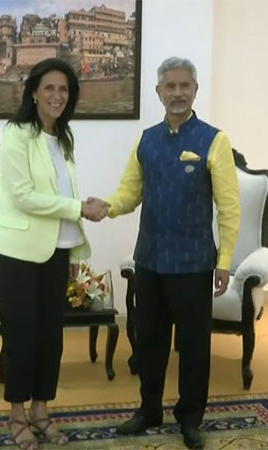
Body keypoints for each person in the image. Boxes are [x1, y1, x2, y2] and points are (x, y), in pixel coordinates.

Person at [95, 57, 241, 449]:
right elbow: (130, 193)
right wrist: (107, 206)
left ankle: (190, 417)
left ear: (195, 90)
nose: (177, 93)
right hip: (150, 260)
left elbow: (229, 208)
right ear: (158, 92)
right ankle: (149, 409)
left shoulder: (215, 140)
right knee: (150, 342)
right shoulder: (146, 140)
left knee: (194, 347)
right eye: (170, 87)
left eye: (184, 86)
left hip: (194, 264)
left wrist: (224, 261)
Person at [0, 58, 106, 450]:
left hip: (56, 249)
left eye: (64, 90)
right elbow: (24, 197)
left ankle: (41, 409)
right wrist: (78, 209)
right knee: (22, 335)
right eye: (49, 88)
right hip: (16, 252)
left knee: (50, 337)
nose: (57, 96)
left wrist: (73, 247)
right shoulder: (18, 133)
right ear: (34, 92)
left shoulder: (63, 137)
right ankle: (16, 415)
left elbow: (62, 196)